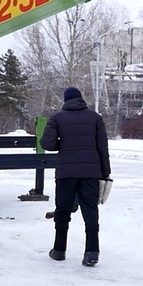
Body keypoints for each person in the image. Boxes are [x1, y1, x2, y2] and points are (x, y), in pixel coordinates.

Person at [41, 87, 111, 267]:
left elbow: (47, 143)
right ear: (81, 99)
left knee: (63, 210)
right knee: (90, 211)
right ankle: (92, 253)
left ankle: (58, 250)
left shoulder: (57, 118)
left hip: (66, 173)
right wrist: (105, 173)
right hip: (91, 173)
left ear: (65, 100)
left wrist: (63, 143)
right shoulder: (95, 118)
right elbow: (103, 148)